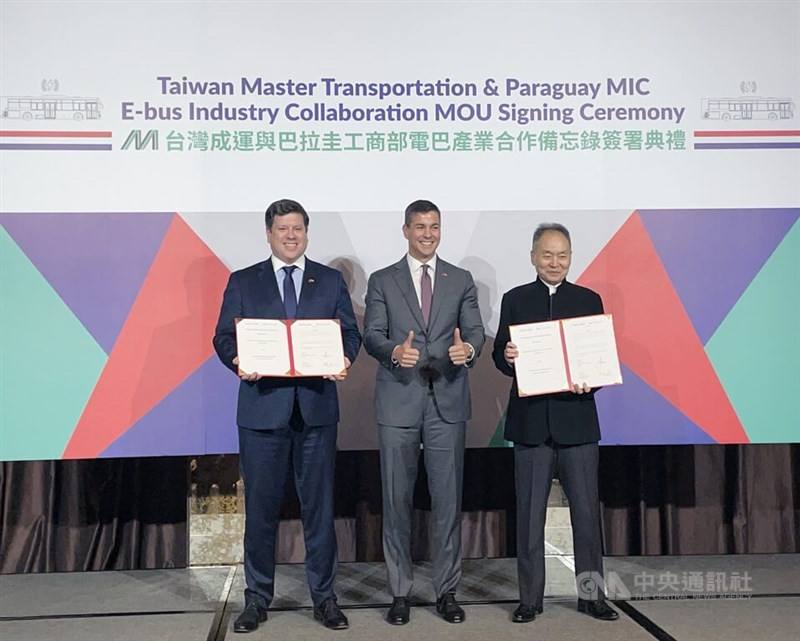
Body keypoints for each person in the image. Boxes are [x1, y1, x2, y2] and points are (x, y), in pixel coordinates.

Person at [213, 199, 361, 633]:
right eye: (283, 229)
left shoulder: (330, 280)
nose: (291, 235)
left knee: (319, 509)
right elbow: (223, 336)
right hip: (262, 411)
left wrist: (344, 358)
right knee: (260, 511)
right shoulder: (243, 281)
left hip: (316, 410)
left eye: (298, 228)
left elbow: (348, 333)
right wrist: (238, 358)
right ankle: (257, 598)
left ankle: (325, 598)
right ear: (269, 234)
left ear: (306, 233)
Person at [364, 199, 485, 625]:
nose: (428, 234)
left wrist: (467, 349)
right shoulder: (383, 280)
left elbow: (473, 331)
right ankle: (400, 591)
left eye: (434, 226)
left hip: (447, 402)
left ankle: (446, 591)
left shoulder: (461, 279)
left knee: (447, 503)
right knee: (396, 502)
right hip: (398, 401)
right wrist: (394, 353)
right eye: (420, 227)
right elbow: (372, 335)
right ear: (405, 231)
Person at [492, 222, 619, 623]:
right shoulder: (515, 299)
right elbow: (499, 355)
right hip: (531, 424)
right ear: (533, 257)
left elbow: (598, 361)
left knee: (585, 515)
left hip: (577, 423)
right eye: (547, 255)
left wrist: (590, 382)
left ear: (571, 257)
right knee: (529, 517)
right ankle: (530, 599)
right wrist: (507, 356)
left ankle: (592, 596)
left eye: (562, 255)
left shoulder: (588, 299)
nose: (555, 262)